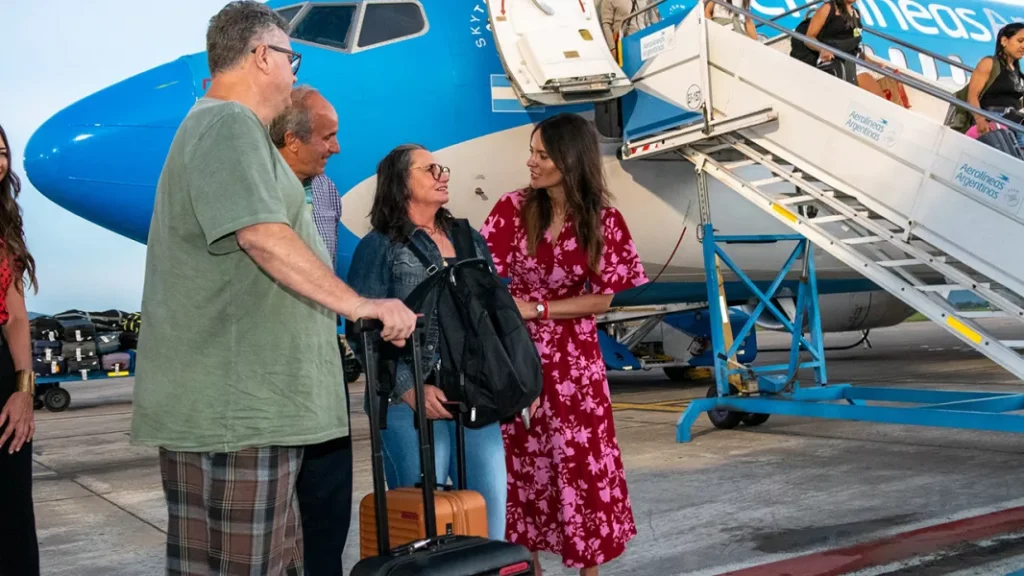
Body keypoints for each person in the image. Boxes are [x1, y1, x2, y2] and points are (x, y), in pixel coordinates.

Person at [130, 3, 416, 575]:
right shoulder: (228, 123)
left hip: (233, 408)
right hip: (240, 412)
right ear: (263, 55)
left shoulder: (219, 127)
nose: (293, 72)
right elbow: (261, 235)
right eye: (291, 57)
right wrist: (360, 303)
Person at [480, 113, 648, 575]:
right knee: (523, 465)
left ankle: (588, 569)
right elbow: (482, 278)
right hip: (518, 357)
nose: (531, 163)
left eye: (543, 154)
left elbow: (605, 297)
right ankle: (527, 566)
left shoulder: (604, 220)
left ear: (570, 161)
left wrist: (535, 309)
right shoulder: (511, 209)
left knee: (580, 466)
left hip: (576, 364)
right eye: (531, 152)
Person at [346, 144, 508, 541]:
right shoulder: (380, 246)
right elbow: (359, 327)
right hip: (409, 405)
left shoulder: (467, 237)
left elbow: (492, 313)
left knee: (489, 520)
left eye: (442, 167)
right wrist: (409, 390)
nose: (442, 174)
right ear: (401, 183)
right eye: (429, 169)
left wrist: (515, 376)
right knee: (423, 528)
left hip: (472, 397)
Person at [269, 86, 351, 576]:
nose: (336, 147)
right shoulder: (256, 188)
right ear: (291, 140)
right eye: (328, 136)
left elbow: (327, 274)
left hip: (322, 356)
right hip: (273, 367)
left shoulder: (326, 192)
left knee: (328, 496)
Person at [0, 122, 40, 576]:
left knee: (11, 513)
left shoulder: (5, 223)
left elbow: (16, 317)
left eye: (2, 151)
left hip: (2, 379)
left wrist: (24, 390)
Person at [964, 23, 1024, 147]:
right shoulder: (989, 63)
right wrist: (980, 120)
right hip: (993, 117)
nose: (1023, 46)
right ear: (1004, 41)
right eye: (1020, 41)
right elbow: (972, 96)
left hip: (1011, 119)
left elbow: (1011, 102)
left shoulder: (1016, 71)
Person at [802, 0, 864, 85]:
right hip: (830, 63)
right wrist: (822, 49)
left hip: (849, 67)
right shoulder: (828, 7)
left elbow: (855, 45)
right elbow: (808, 37)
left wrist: (874, 63)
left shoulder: (856, 14)